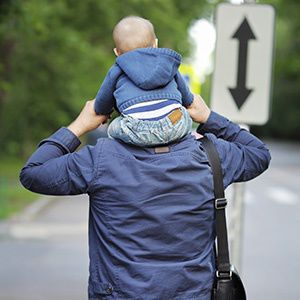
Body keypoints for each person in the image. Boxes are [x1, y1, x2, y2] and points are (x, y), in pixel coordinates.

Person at [19, 95, 271, 299]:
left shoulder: (100, 159)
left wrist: (80, 126)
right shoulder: (211, 155)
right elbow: (258, 154)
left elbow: (34, 173)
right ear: (179, 103)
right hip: (193, 292)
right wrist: (208, 117)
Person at [94, 16, 194, 147]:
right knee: (184, 115)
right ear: (155, 44)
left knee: (113, 128)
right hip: (174, 123)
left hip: (136, 130)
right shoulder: (167, 65)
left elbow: (102, 103)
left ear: (117, 52)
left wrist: (103, 112)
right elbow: (187, 99)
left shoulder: (117, 70)